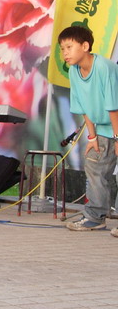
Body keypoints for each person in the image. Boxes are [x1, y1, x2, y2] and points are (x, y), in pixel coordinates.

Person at [58, 26, 118, 234]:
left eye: (69, 47)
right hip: (103, 127)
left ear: (85, 46)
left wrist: (117, 138)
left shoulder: (104, 67)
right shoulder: (74, 71)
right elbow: (83, 106)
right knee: (95, 167)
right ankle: (94, 218)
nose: (65, 53)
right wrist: (92, 137)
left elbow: (113, 106)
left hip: (116, 124)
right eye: (62, 49)